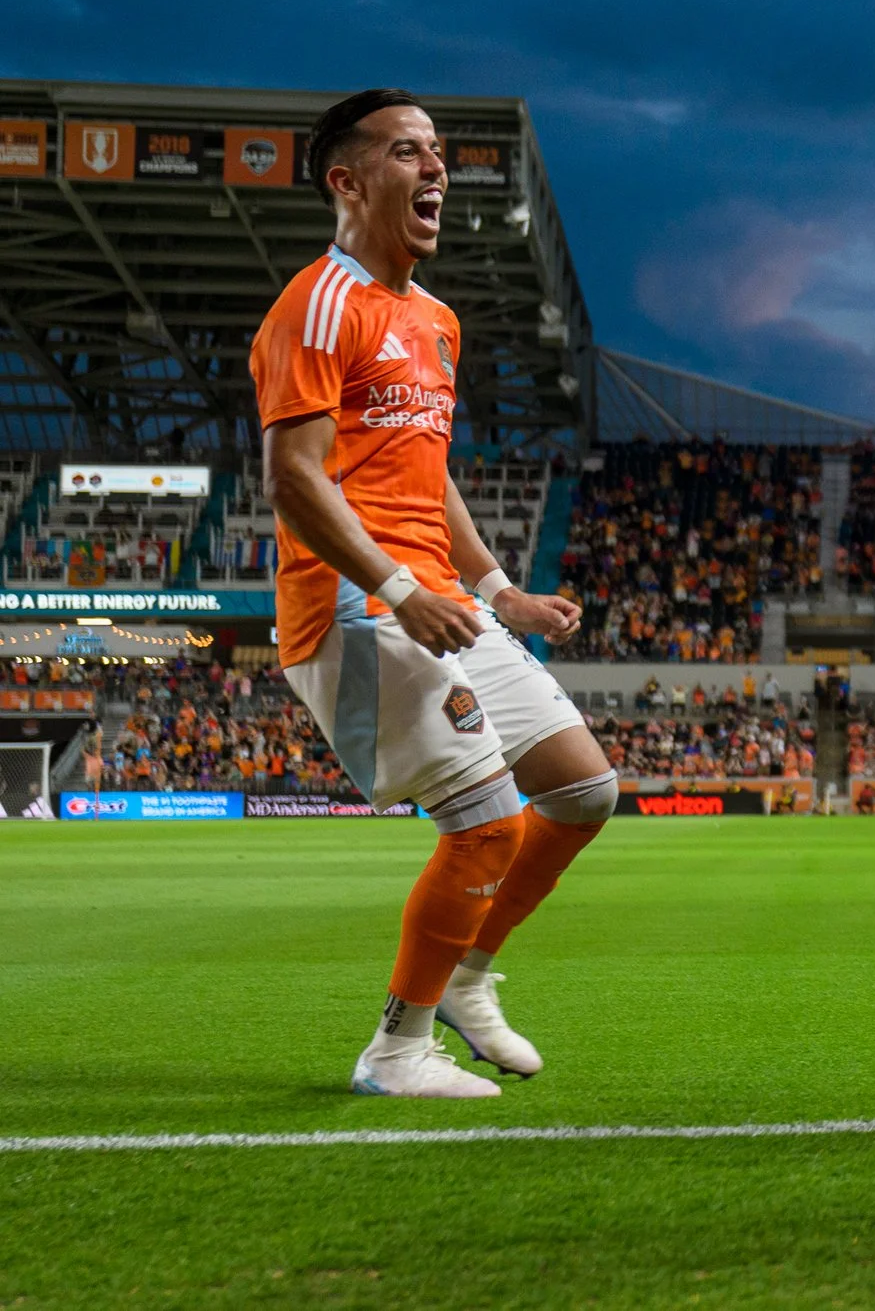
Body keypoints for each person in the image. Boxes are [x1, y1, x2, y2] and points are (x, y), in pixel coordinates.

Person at [251, 90, 616, 1101]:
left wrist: (501, 589)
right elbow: (294, 477)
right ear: (348, 179)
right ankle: (397, 1048)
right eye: (409, 152)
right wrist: (401, 588)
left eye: (440, 154)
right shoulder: (318, 304)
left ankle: (466, 975)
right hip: (357, 609)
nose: (436, 170)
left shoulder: (436, 320)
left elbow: (427, 470)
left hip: (436, 598)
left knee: (584, 790)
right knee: (486, 827)